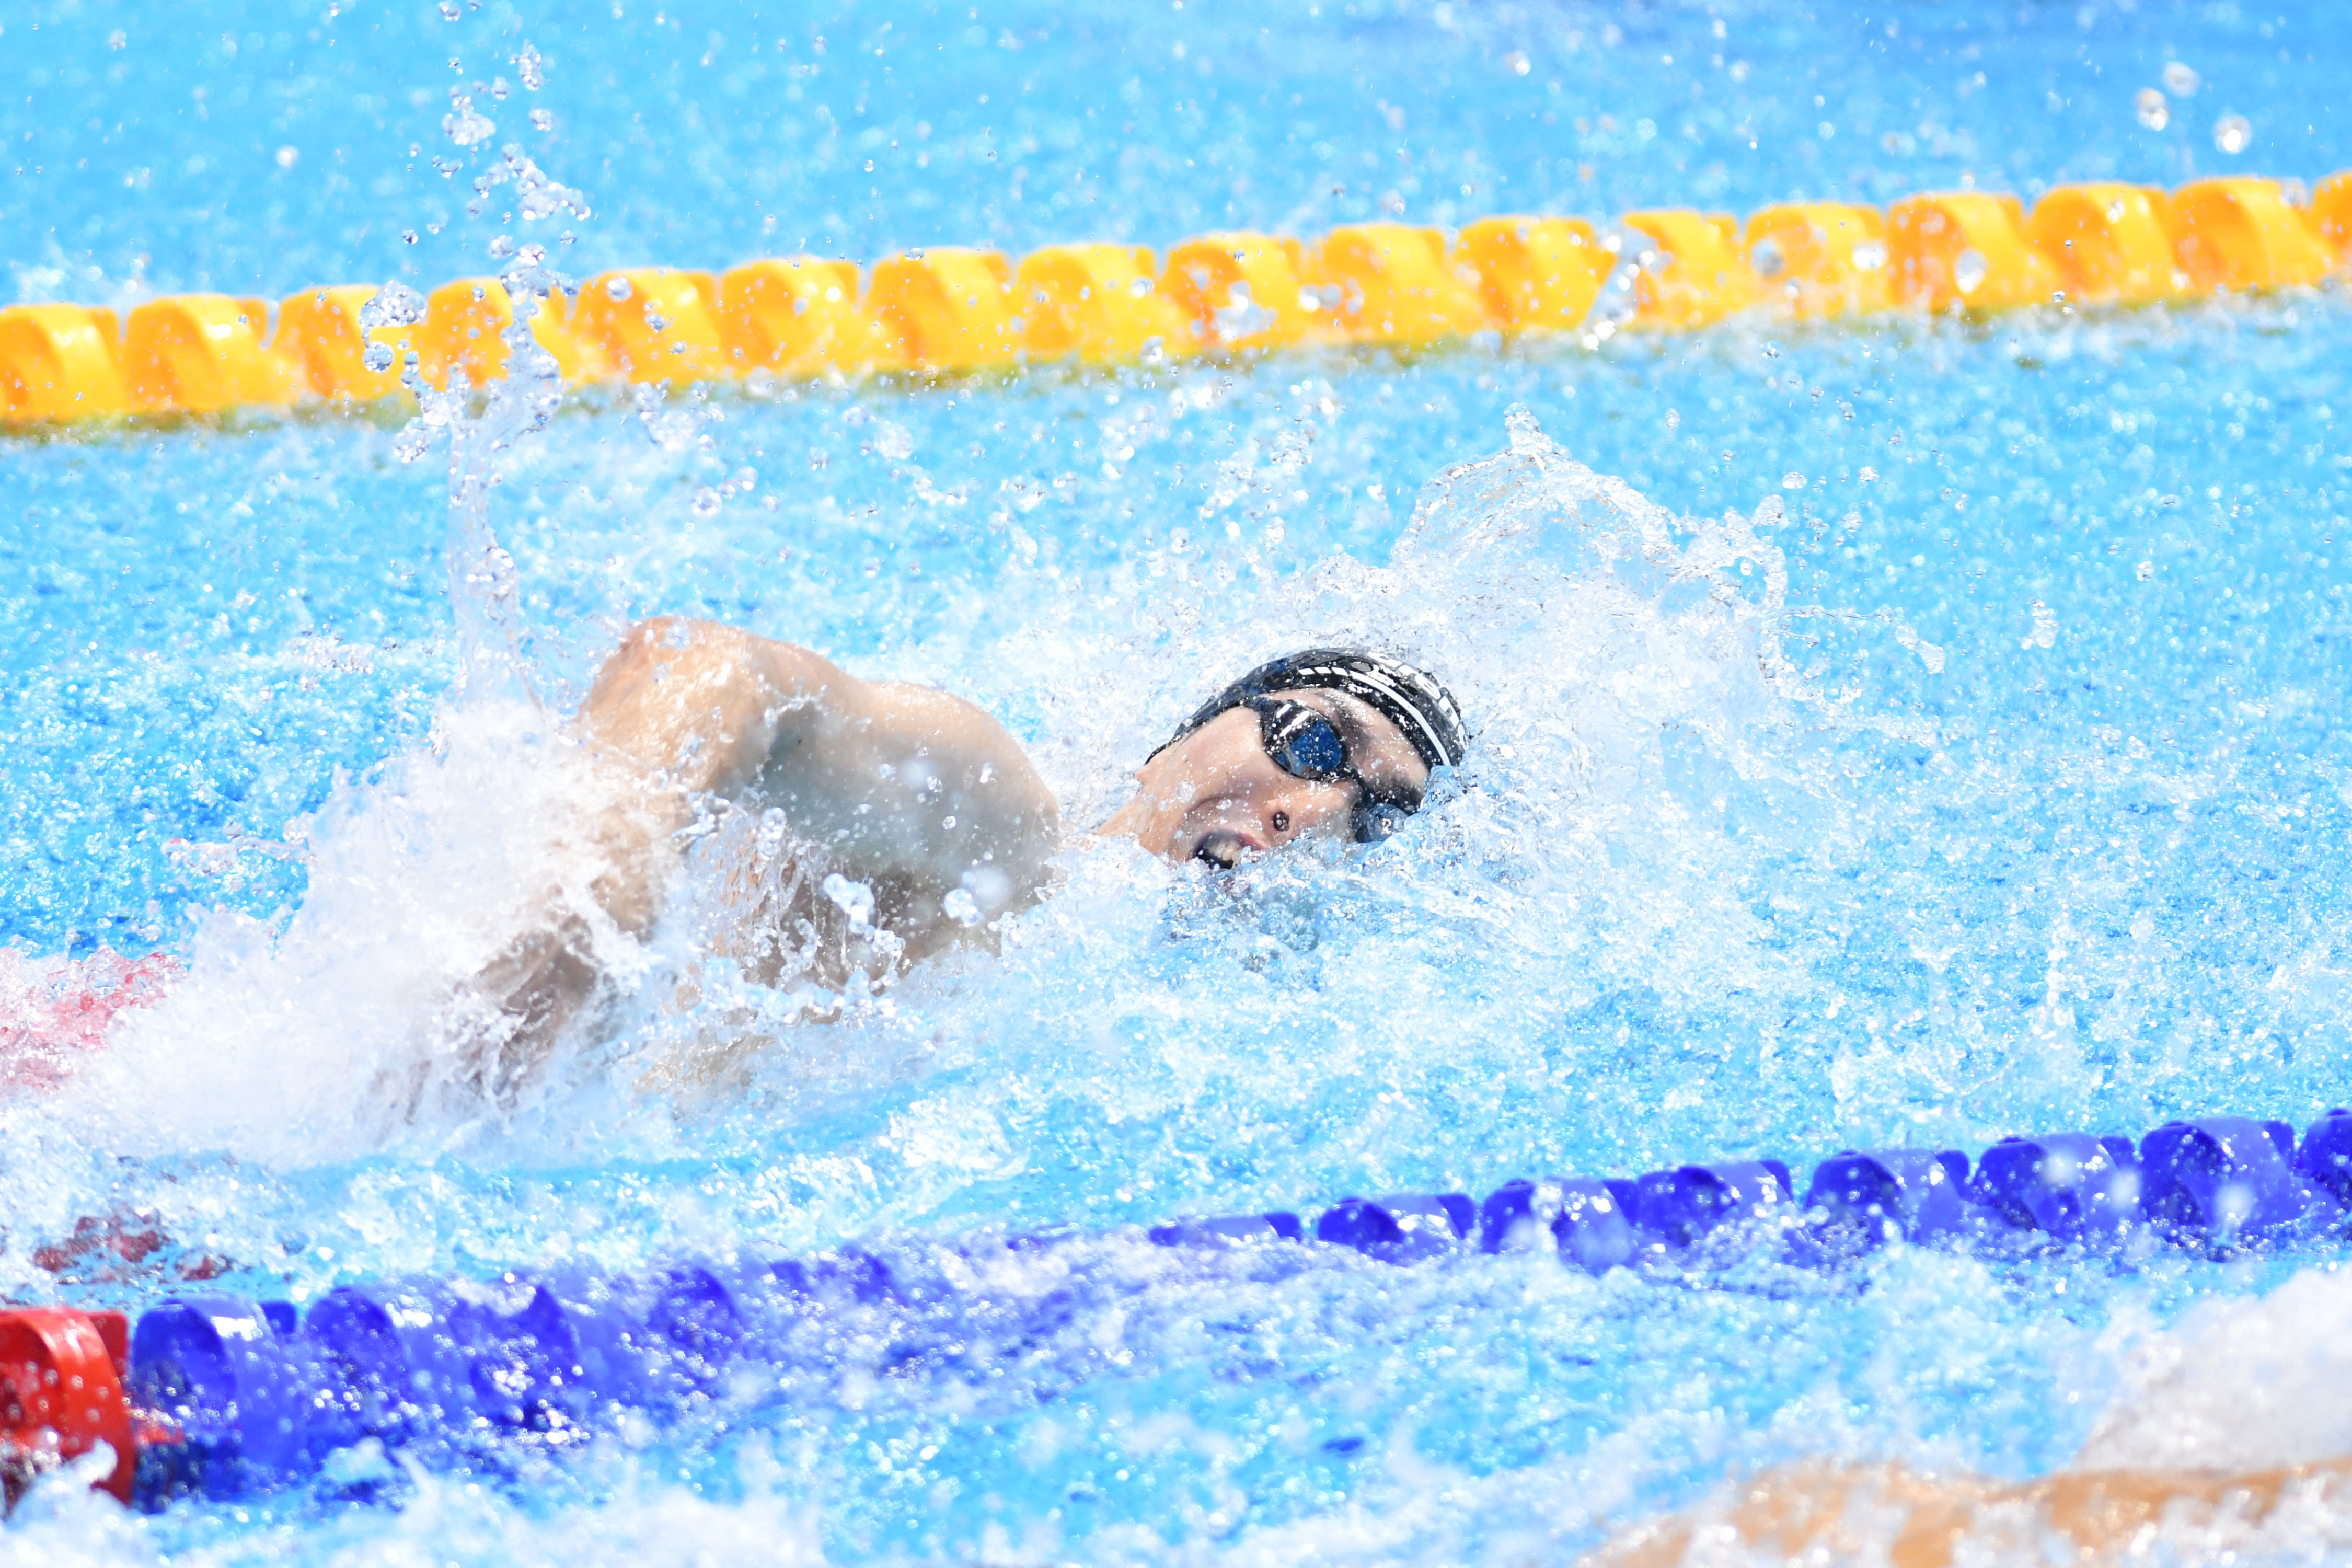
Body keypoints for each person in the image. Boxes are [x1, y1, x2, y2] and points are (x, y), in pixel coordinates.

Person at [458, 617, 1466, 1099]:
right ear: (1204, 723)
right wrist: (579, 928)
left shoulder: (1158, 1033)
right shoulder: (1005, 836)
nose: (1311, 812)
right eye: (1317, 743)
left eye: (1369, 816)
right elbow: (702, 669)